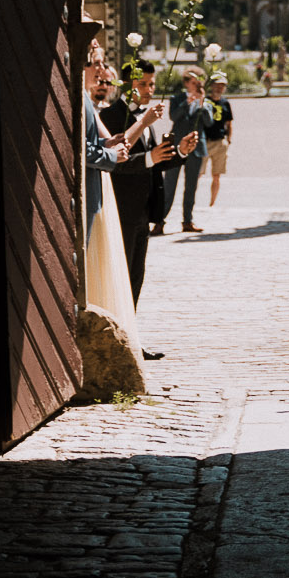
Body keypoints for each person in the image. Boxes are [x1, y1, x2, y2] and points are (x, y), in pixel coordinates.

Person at [81, 40, 171, 354]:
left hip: (143, 209)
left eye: (152, 84)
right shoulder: (111, 111)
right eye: (143, 84)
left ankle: (129, 339)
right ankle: (122, 343)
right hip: (120, 207)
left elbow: (126, 147)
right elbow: (115, 156)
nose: (148, 89)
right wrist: (143, 130)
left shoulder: (118, 111)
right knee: (116, 279)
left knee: (134, 278)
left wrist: (179, 152)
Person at [150, 67, 211, 234]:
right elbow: (174, 117)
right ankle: (159, 222)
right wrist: (188, 102)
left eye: (199, 82)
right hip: (176, 147)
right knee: (169, 186)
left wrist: (201, 103)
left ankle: (187, 221)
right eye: (193, 82)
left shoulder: (206, 101)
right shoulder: (176, 98)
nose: (197, 84)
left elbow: (209, 122)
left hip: (196, 149)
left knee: (191, 187)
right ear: (186, 83)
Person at [203, 72, 234, 210]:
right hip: (205, 141)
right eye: (217, 85)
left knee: (217, 175)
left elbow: (229, 123)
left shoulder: (225, 102)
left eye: (222, 86)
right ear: (211, 86)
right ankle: (192, 201)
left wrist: (229, 139)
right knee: (197, 173)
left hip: (220, 141)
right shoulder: (205, 101)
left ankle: (212, 203)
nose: (219, 88)